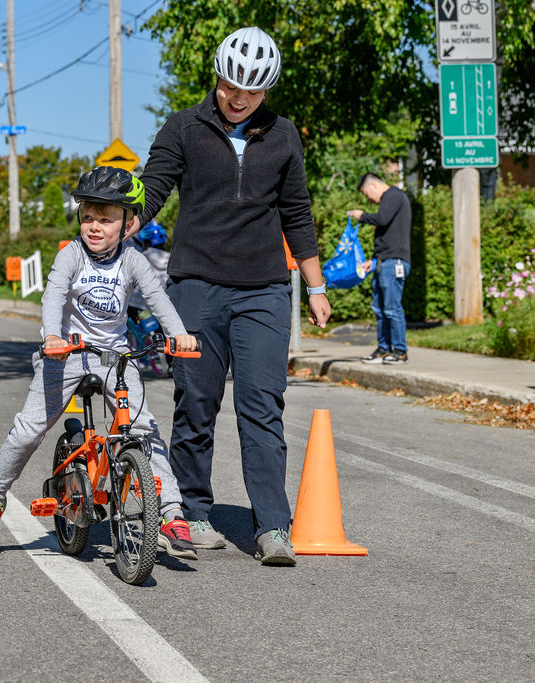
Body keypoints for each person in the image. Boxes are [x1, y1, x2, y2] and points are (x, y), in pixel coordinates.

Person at [137, 27, 331, 566]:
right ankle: (192, 512)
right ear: (217, 76)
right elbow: (153, 188)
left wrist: (314, 286)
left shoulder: (284, 135)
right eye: (230, 86)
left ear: (266, 89)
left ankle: (272, 526)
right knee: (196, 402)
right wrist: (120, 224)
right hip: (196, 286)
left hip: (265, 291)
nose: (238, 97)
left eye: (251, 90)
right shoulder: (184, 127)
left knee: (262, 406)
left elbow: (297, 214)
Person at [0, 167, 200, 559]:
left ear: (128, 223)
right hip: (67, 354)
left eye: (106, 219)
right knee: (28, 431)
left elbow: (158, 300)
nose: (94, 226)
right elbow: (54, 294)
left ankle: (171, 512)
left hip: (115, 357)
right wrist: (51, 337)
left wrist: (179, 332)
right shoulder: (70, 254)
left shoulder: (133, 260)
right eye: (88, 216)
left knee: (144, 431)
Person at [348, 172, 412, 365]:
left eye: (367, 194)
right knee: (380, 308)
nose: (369, 199)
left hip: (394, 262)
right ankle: (384, 349)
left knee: (392, 308)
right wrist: (373, 260)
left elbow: (382, 219)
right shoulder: (390, 198)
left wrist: (362, 216)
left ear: (373, 186)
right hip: (383, 261)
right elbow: (387, 234)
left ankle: (400, 351)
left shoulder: (393, 195)